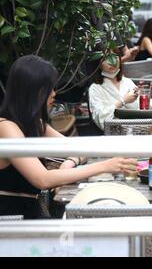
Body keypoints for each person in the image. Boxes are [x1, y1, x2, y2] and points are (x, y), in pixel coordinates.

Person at [0, 55, 138, 219]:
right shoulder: (6, 127)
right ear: (33, 90)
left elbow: (77, 148)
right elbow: (42, 179)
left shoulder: (34, 122)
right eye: (49, 88)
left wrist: (69, 162)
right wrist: (105, 166)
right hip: (11, 221)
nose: (54, 94)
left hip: (30, 212)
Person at [88, 49, 152, 130]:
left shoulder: (127, 81)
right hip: (115, 133)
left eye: (115, 56)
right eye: (106, 58)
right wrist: (122, 101)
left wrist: (142, 98)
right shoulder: (95, 88)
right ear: (98, 64)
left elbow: (147, 107)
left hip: (139, 129)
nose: (112, 62)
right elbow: (100, 118)